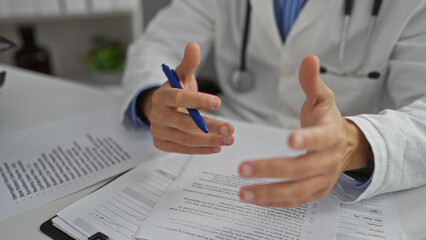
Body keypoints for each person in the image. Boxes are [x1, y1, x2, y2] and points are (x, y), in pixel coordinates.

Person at [121, 0, 426, 207]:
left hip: (349, 178)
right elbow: (157, 45)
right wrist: (155, 100)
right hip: (226, 153)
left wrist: (356, 142)